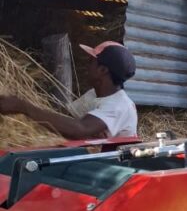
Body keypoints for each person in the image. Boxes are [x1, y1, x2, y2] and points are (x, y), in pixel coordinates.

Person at [0, 40, 138, 140]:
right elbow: (65, 118)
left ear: (102, 70)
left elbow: (79, 129)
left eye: (90, 62)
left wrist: (23, 107)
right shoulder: (93, 94)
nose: (86, 66)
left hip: (114, 170)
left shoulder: (120, 105)